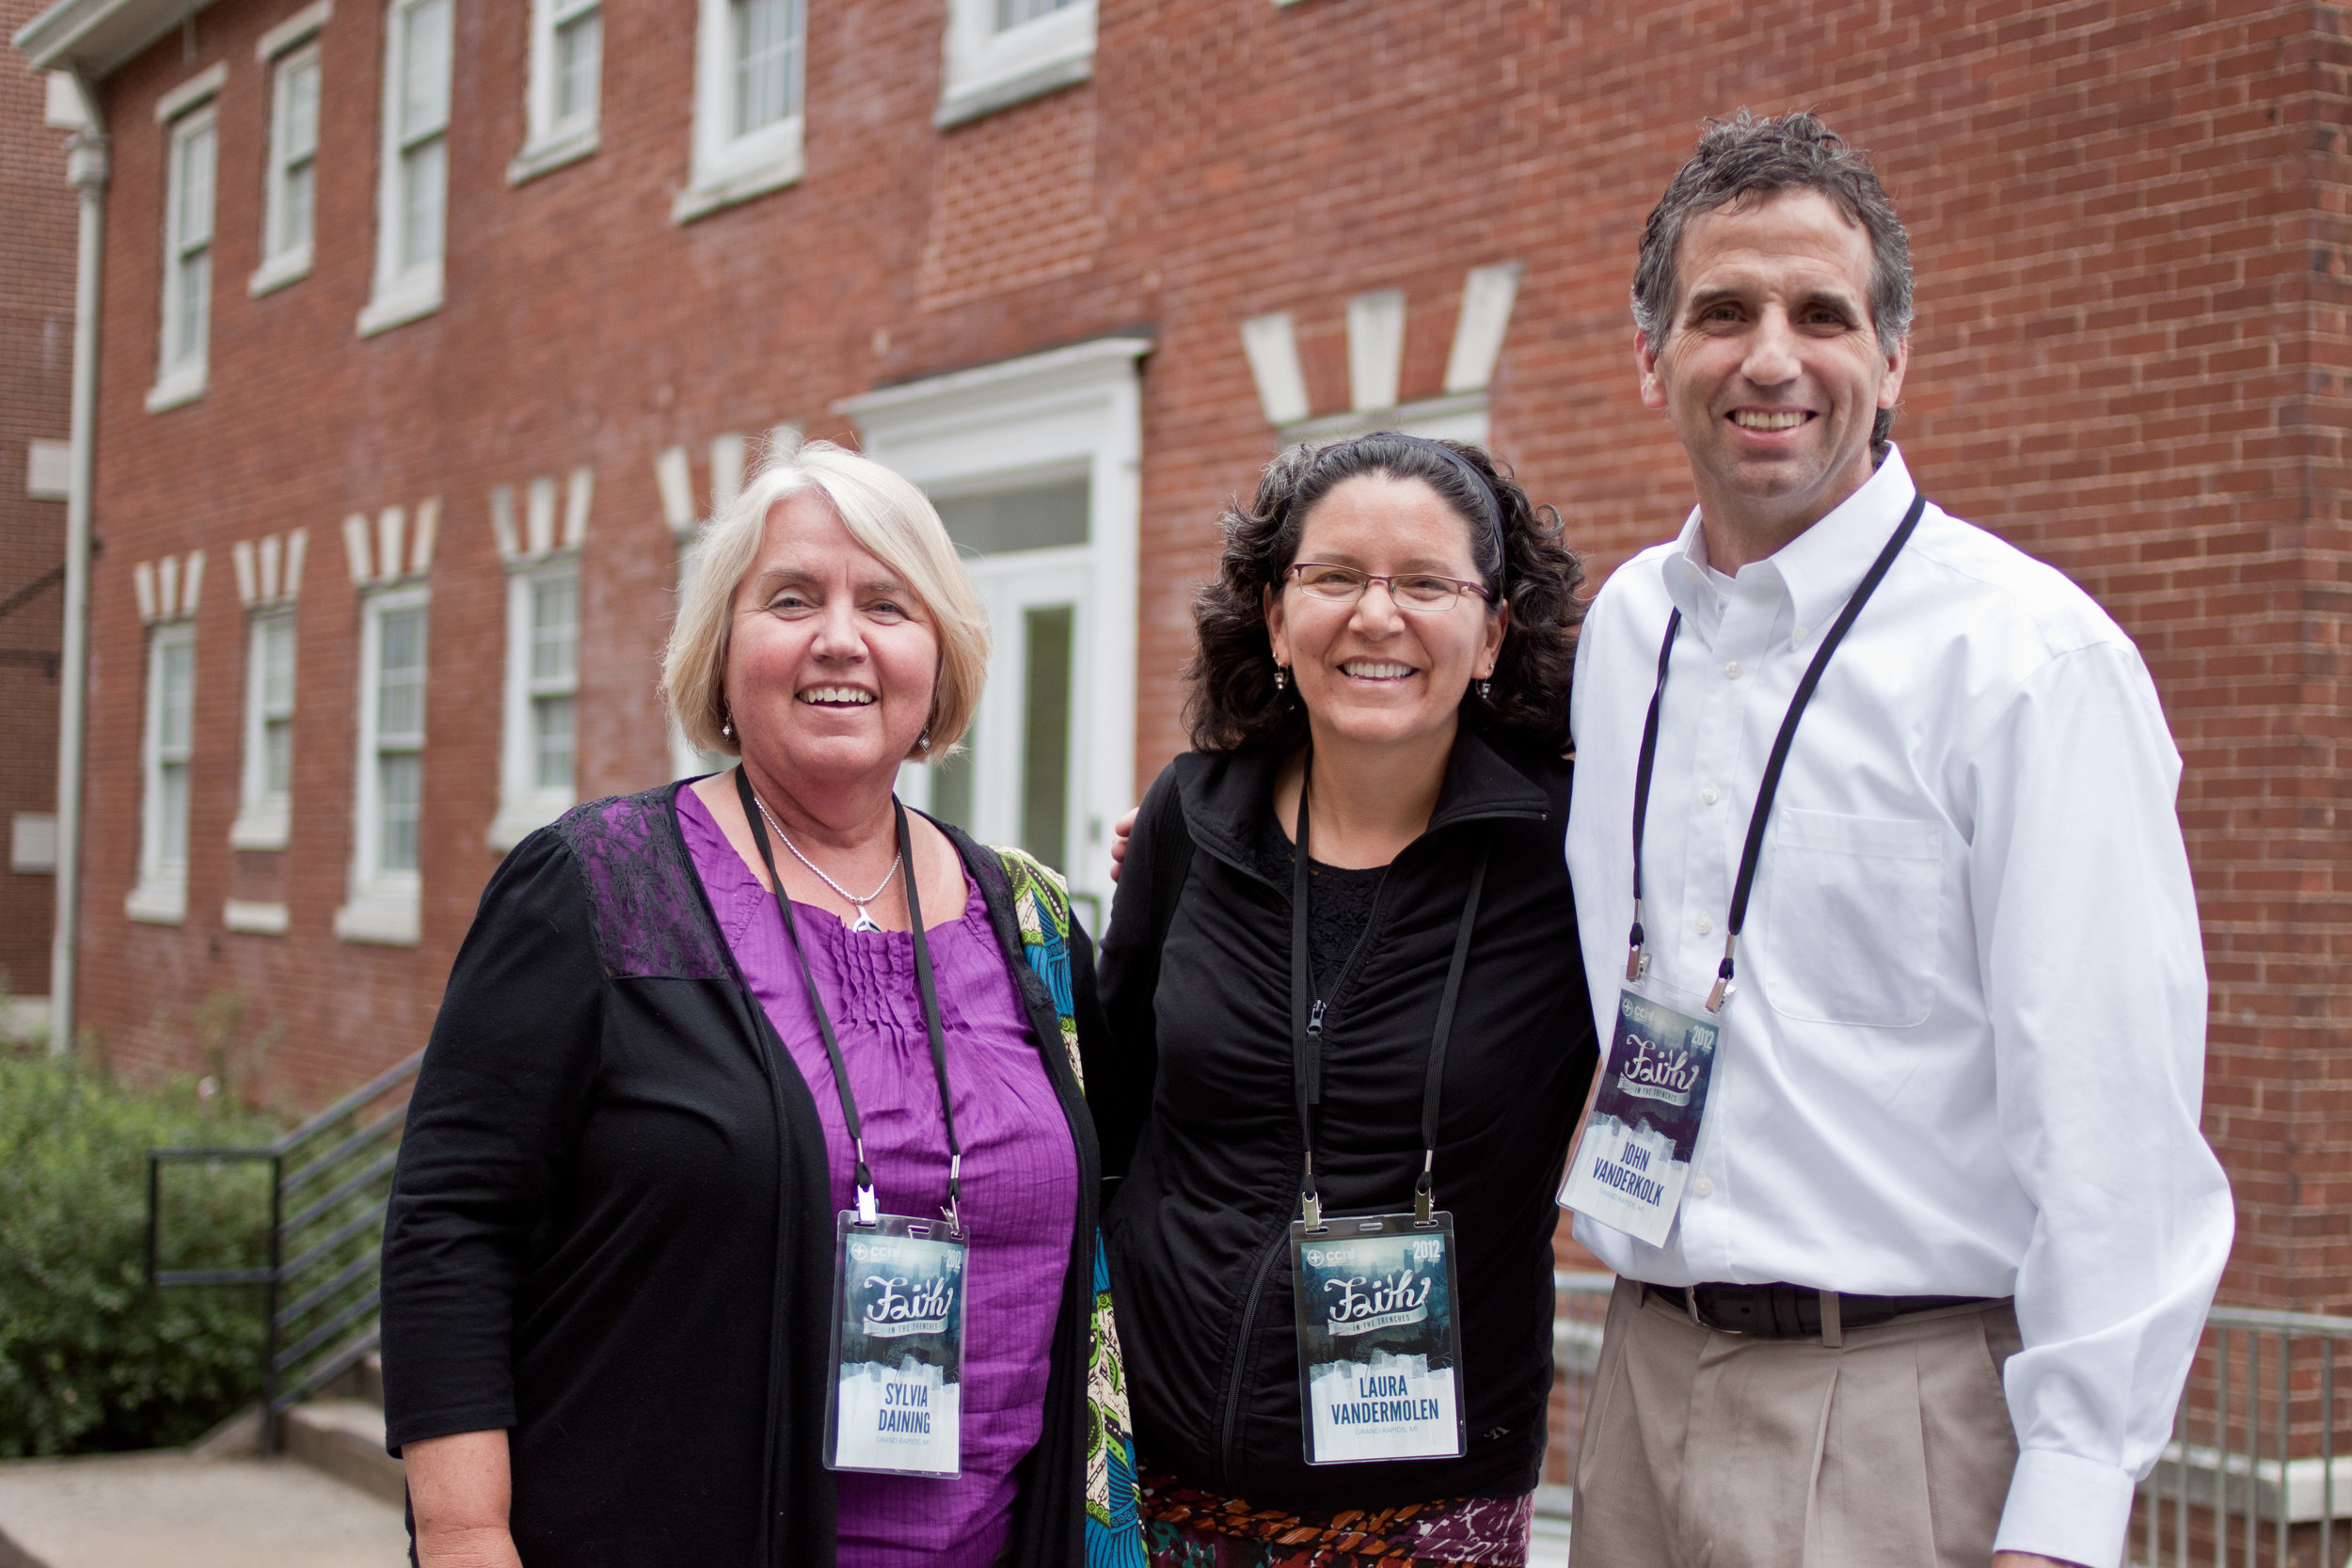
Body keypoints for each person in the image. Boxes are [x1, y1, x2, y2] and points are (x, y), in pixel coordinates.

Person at [1559, 111, 2233, 1568]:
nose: (1772, 357)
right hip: (1639, 1386)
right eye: (1721, 311)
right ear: (1651, 355)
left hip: (1902, 1418)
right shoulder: (1624, 635)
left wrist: (2063, 1505)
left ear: (1894, 358)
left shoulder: (2031, 661)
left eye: (1822, 313)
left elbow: (2112, 1108)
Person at [379, 440, 1140, 1568]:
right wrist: (463, 1534)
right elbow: (451, 1224)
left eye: (888, 602)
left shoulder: (1027, 921)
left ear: (938, 654)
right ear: (724, 648)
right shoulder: (600, 886)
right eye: (793, 598)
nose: (841, 636)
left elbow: (1165, 1175)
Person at [1090, 432, 1597, 1568]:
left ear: (1493, 631)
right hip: (1156, 1484)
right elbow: (1111, 1109)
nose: (1378, 616)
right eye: (1334, 577)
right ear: (1276, 619)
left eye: (1426, 582)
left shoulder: (1570, 850)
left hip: (1427, 1508)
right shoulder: (1190, 815)